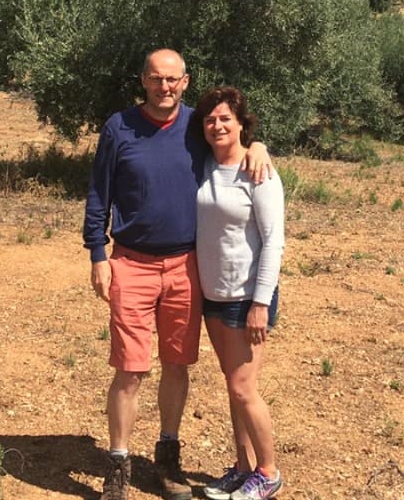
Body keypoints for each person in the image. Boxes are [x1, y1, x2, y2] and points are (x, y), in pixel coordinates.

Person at [83, 49, 272, 500]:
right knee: (130, 369)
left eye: (172, 79)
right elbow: (98, 192)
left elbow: (233, 140)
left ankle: (167, 456)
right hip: (130, 261)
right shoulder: (119, 127)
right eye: (155, 79)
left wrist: (260, 144)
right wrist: (97, 252)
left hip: (188, 266)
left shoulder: (195, 125)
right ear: (143, 81)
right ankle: (118, 463)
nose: (163, 87)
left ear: (185, 82)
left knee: (177, 364)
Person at [191, 86, 285, 500]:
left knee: (244, 388)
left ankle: (268, 473)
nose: (217, 125)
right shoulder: (205, 164)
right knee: (233, 385)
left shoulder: (258, 172)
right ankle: (243, 466)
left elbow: (274, 241)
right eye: (210, 119)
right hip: (213, 294)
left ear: (242, 122)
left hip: (248, 298)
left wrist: (261, 303)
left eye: (225, 118)